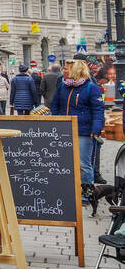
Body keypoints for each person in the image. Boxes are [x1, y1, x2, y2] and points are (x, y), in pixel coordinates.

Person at [51, 59, 105, 196]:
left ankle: (86, 195)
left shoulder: (91, 88)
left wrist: (96, 129)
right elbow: (55, 105)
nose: (63, 71)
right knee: (64, 162)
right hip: (64, 130)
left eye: (66, 68)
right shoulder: (63, 86)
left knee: (83, 164)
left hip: (83, 131)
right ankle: (69, 193)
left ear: (75, 71)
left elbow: (98, 110)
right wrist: (55, 121)